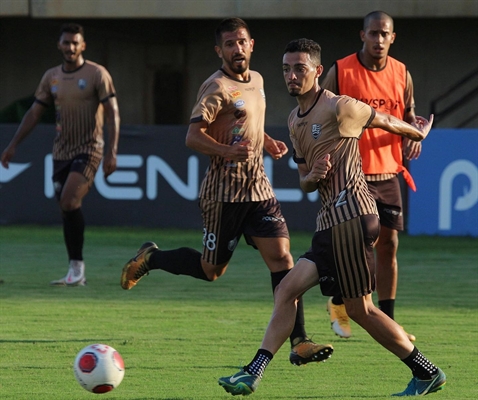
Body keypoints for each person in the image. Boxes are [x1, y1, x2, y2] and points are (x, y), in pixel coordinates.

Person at [218, 38, 445, 397]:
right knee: (315, 297)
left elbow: (385, 120)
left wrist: (417, 131)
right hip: (331, 222)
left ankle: (253, 372)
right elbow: (305, 181)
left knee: (351, 307)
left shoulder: (340, 107)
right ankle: (253, 372)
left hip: (352, 215)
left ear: (318, 72)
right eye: (286, 69)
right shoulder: (294, 120)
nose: (292, 76)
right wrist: (315, 175)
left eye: (300, 68)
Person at [120, 18, 332, 366]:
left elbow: (246, 124)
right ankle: (151, 258)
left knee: (282, 259)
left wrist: (265, 141)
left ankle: (299, 341)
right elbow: (193, 135)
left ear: (252, 45)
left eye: (242, 42)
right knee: (210, 271)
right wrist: (226, 151)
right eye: (229, 44)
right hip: (223, 195)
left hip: (258, 190)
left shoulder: (260, 80)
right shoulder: (215, 87)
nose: (237, 49)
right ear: (220, 50)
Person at [321, 11, 418, 341]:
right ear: (362, 35)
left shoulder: (402, 72)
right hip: (351, 173)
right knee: (356, 244)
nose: (378, 39)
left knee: (388, 245)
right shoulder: (341, 69)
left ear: (393, 37)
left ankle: (388, 321)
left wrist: (412, 134)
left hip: (388, 170)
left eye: (384, 34)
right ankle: (338, 302)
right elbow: (320, 111)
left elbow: (408, 114)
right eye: (373, 33)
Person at [1, 23, 120, 286]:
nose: (70, 47)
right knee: (67, 210)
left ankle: (77, 269)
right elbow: (34, 112)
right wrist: (13, 145)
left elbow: (113, 112)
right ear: (60, 45)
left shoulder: (97, 74)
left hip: (90, 148)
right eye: (66, 43)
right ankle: (75, 271)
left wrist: (112, 151)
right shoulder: (51, 77)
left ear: (83, 46)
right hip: (61, 151)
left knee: (68, 201)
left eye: (75, 43)